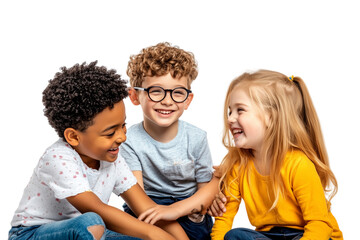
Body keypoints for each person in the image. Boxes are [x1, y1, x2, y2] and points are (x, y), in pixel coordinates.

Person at [8, 61, 188, 240]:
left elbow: (148, 210)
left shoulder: (112, 158)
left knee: (130, 234)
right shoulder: (58, 158)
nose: (122, 137)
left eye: (123, 126)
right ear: (73, 137)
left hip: (95, 233)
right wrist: (154, 234)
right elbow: (95, 208)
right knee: (92, 222)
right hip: (31, 234)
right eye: (110, 132)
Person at [210, 70, 343, 240]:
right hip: (269, 235)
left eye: (240, 110)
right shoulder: (238, 165)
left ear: (271, 118)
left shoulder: (298, 164)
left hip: (313, 235)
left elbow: (319, 224)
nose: (230, 119)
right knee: (235, 235)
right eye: (230, 111)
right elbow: (223, 220)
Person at [120, 42, 215, 240]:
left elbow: (205, 190)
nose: (167, 101)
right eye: (156, 91)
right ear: (135, 96)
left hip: (188, 208)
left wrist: (177, 210)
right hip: (147, 206)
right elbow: (137, 196)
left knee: (199, 227)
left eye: (178, 92)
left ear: (188, 100)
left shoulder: (197, 138)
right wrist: (160, 213)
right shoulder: (129, 140)